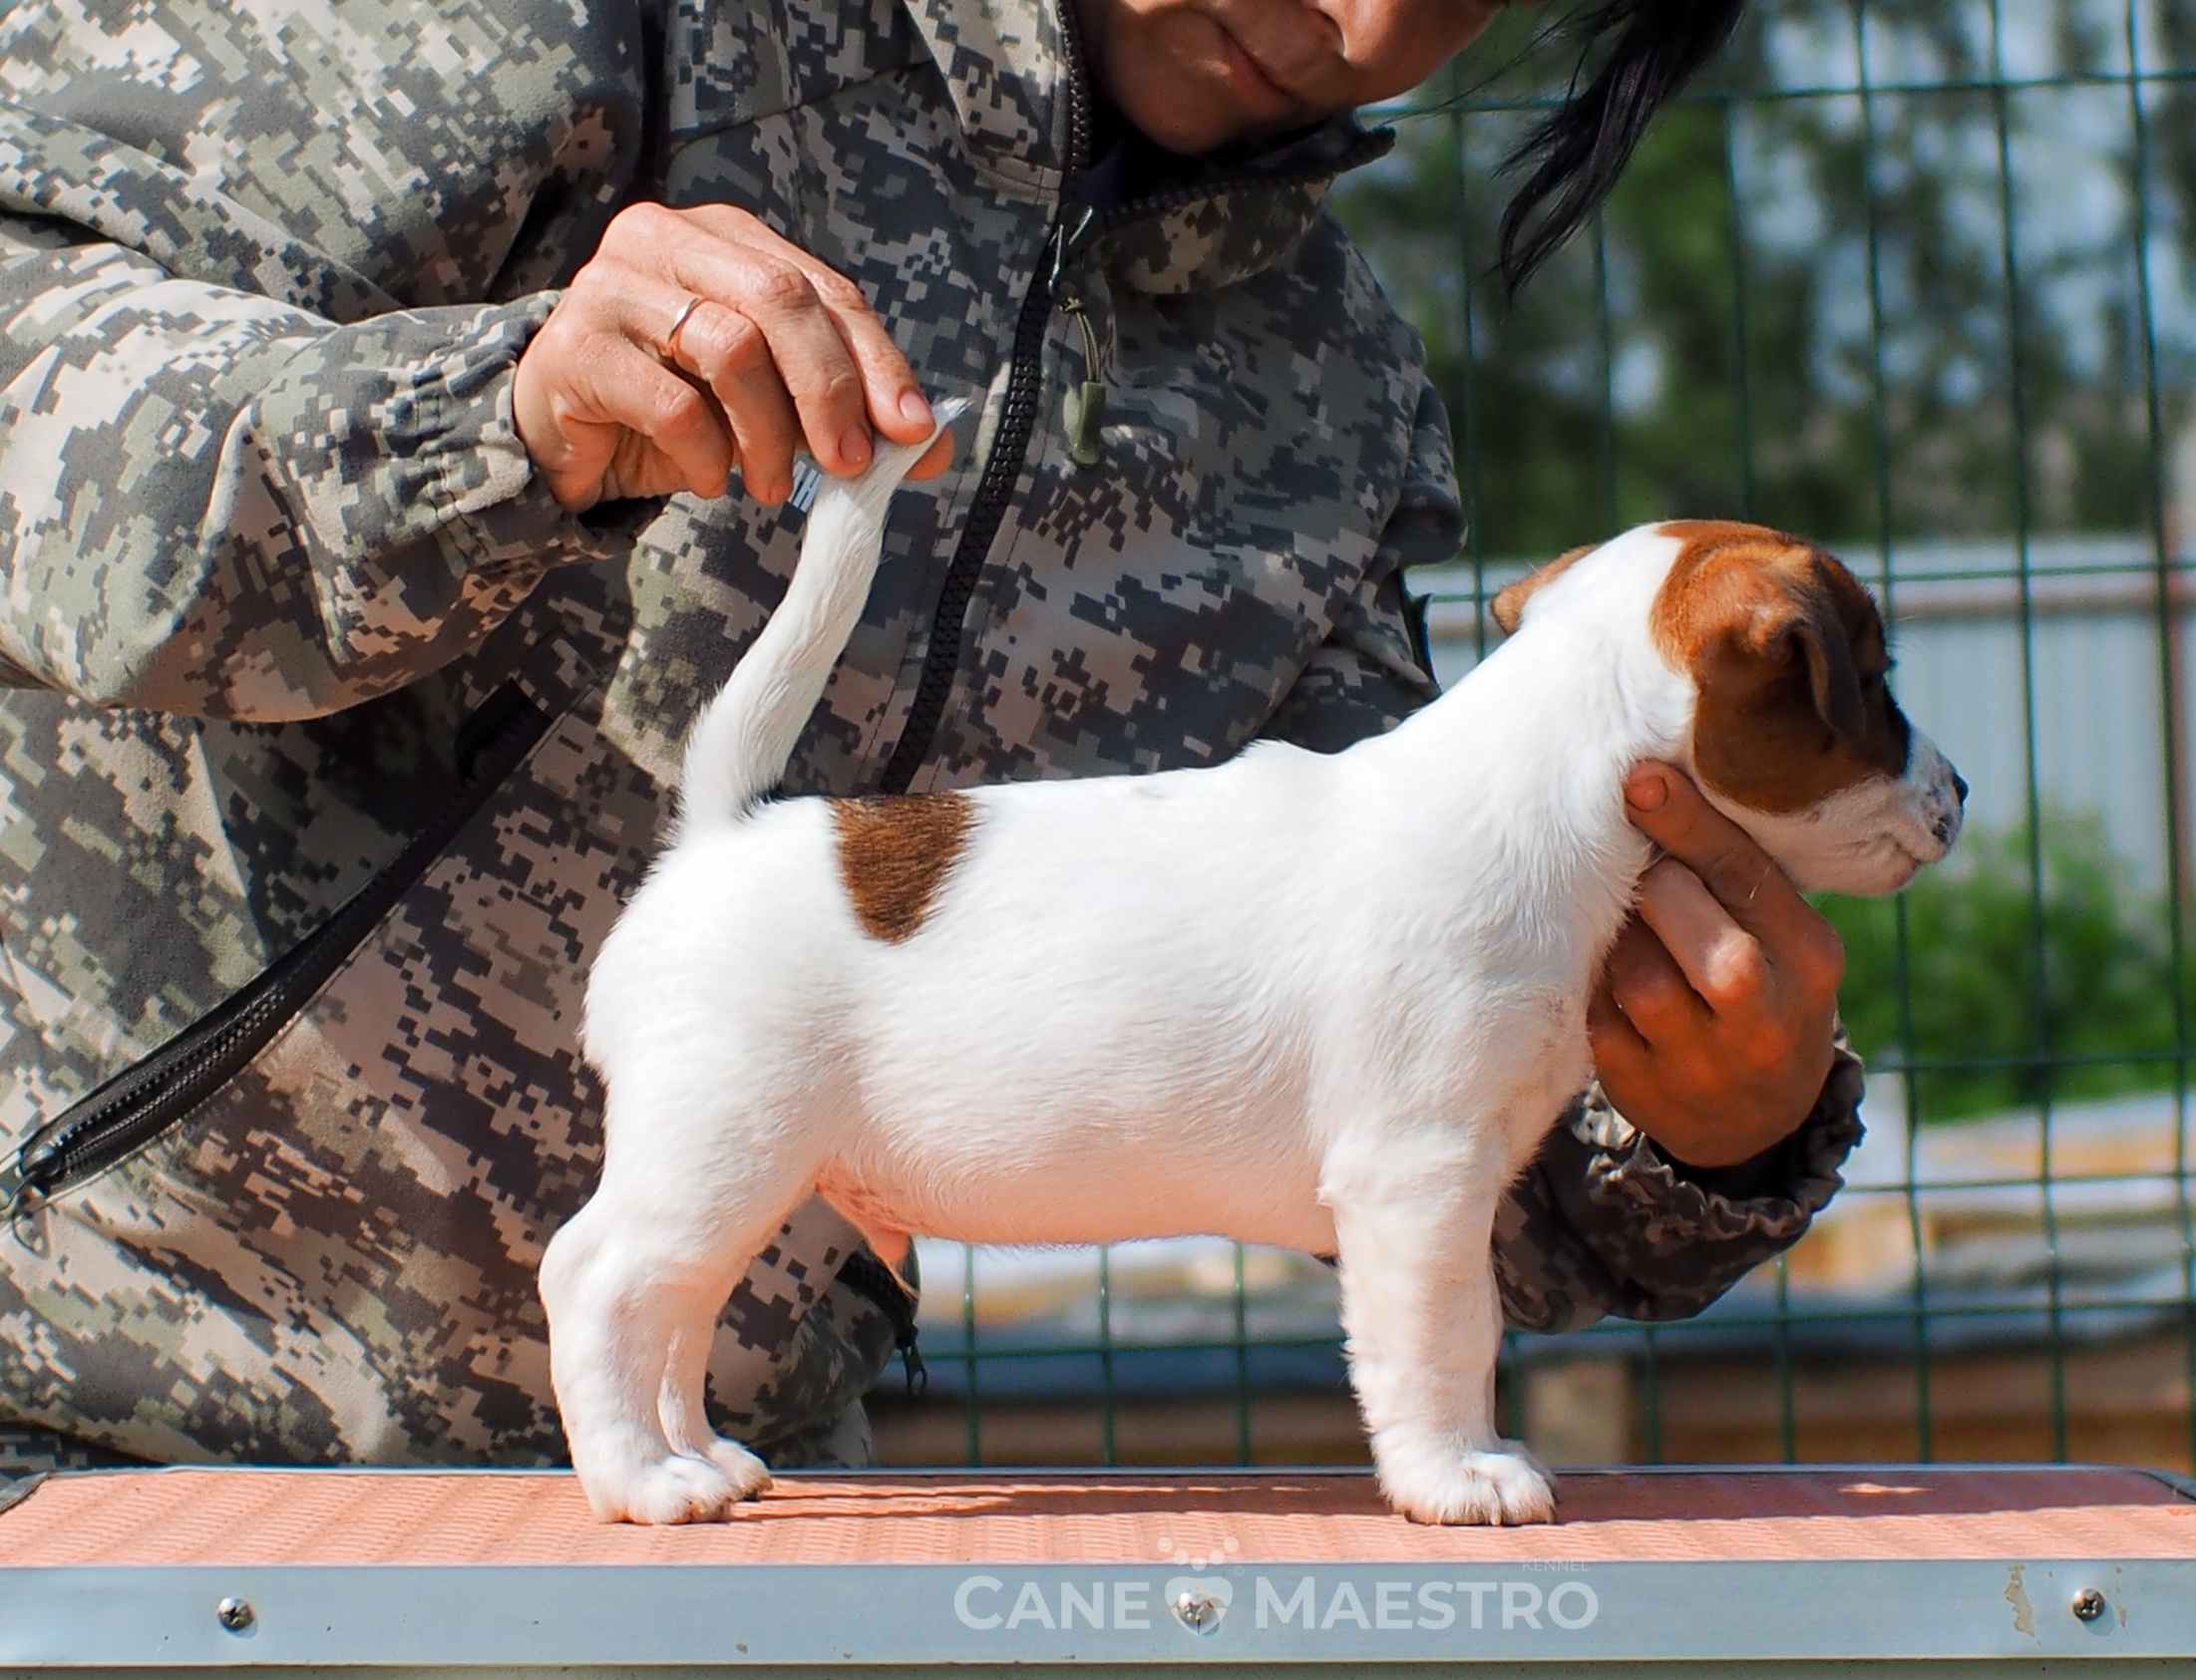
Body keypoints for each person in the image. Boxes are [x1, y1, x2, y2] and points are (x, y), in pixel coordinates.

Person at [0, 0, 1862, 1476]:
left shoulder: (1338, 401)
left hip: (743, 1496)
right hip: (84, 1414)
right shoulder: (575, 28)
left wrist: (1698, 1133)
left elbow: (1399, 1134)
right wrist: (490, 420)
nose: (1360, 20)